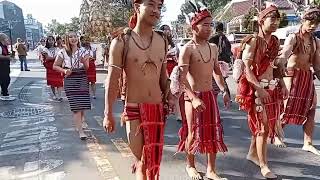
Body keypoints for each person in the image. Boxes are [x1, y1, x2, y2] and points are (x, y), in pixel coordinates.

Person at [103, 0, 174, 179]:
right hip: (134, 110)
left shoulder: (162, 41)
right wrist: (108, 113)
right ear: (137, 7)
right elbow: (113, 81)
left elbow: (163, 77)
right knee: (142, 160)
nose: (156, 10)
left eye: (159, 6)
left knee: (151, 162)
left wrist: (170, 95)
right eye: (151, 4)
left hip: (157, 109)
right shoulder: (121, 42)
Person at [176, 2, 231, 180]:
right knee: (193, 131)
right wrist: (193, 98)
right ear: (194, 26)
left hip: (209, 95)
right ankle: (190, 165)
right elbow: (181, 78)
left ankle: (211, 169)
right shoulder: (187, 49)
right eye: (205, 25)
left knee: (214, 131)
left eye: (210, 25)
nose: (209, 28)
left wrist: (223, 90)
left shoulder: (213, 48)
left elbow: (216, 71)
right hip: (192, 97)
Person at [235, 5, 288, 178]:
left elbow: (273, 66)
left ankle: (253, 154)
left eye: (277, 20)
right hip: (256, 90)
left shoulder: (273, 41)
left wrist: (282, 84)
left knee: (265, 126)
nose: (275, 23)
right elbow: (247, 69)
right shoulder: (253, 41)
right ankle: (264, 166)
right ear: (261, 21)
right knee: (262, 128)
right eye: (272, 19)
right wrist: (259, 88)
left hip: (270, 88)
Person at [275, 6, 320, 156]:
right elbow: (285, 54)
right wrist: (280, 62)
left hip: (307, 76)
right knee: (287, 107)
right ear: (303, 20)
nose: (313, 25)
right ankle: (276, 135)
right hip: (291, 75)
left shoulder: (316, 42)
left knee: (312, 108)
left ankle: (307, 142)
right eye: (310, 21)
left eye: (317, 22)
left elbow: (318, 66)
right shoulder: (293, 37)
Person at [53, 31, 91, 140]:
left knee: (82, 105)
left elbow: (87, 67)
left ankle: (80, 122)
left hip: (82, 77)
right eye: (70, 37)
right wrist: (64, 71)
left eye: (75, 36)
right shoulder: (62, 52)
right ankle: (80, 131)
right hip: (70, 79)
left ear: (78, 38)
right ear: (67, 39)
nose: (73, 39)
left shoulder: (84, 51)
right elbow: (55, 66)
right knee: (76, 107)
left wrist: (84, 62)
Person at [159, 24, 182, 121]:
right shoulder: (158, 42)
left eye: (169, 29)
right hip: (162, 68)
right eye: (165, 29)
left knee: (176, 91)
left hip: (173, 68)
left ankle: (178, 114)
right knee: (163, 91)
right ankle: (163, 109)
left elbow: (178, 56)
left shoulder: (173, 44)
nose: (168, 31)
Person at [41, 35, 64, 101]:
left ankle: (59, 96)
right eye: (49, 40)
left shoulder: (58, 49)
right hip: (50, 68)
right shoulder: (45, 49)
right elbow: (47, 58)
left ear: (54, 41)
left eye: (52, 40)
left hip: (57, 66)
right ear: (47, 41)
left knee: (59, 82)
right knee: (52, 83)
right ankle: (54, 95)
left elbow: (61, 57)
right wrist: (56, 57)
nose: (51, 41)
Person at [0, 33, 12, 99]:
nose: (7, 39)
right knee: (5, 79)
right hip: (1, 67)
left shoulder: (4, 46)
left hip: (5, 66)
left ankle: (4, 92)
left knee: (6, 79)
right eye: (6, 38)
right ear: (2, 39)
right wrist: (7, 57)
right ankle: (4, 93)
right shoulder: (0, 46)